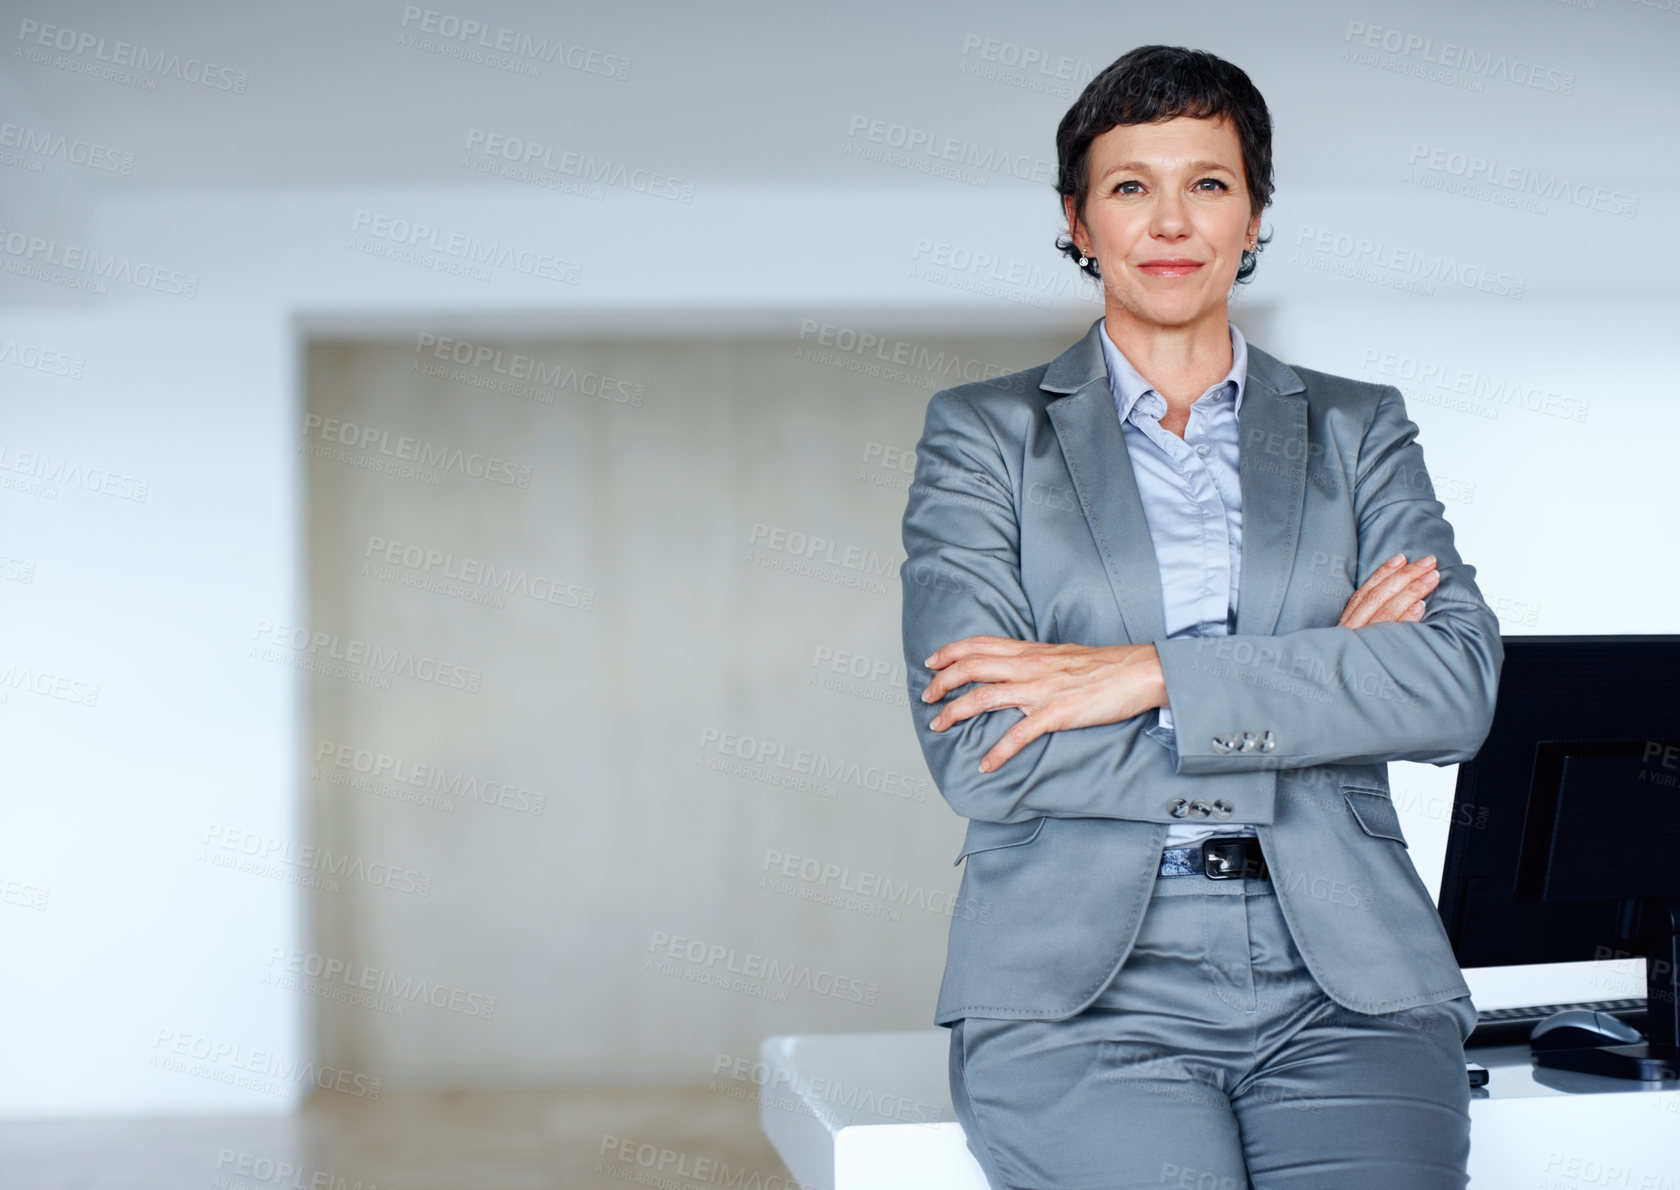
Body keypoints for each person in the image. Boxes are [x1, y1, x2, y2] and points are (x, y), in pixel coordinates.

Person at [899, 44, 1503, 1189]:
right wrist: (1319, 685)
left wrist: (1148, 676)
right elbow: (982, 751)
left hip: (1350, 977)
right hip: (1083, 994)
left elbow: (1454, 686)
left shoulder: (1357, 428)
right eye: (1132, 186)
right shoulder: (984, 437)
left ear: (1256, 214)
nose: (1171, 220)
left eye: (1209, 183)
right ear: (1078, 220)